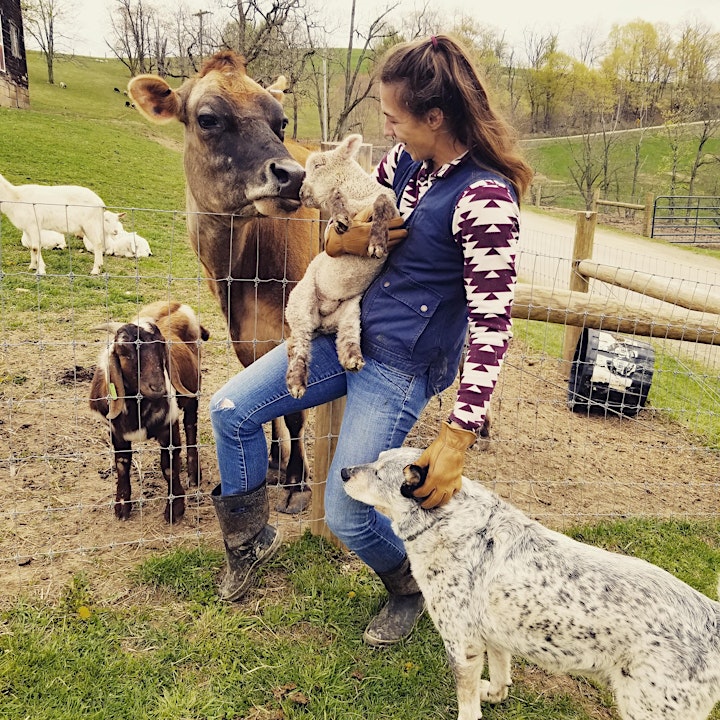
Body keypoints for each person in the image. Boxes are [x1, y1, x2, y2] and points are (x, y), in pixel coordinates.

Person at [208, 33, 533, 646]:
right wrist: (339, 242)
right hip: (345, 331)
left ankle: (411, 584)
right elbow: (343, 224)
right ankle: (250, 542)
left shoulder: (486, 198)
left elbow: (492, 322)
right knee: (230, 411)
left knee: (348, 513)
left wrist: (458, 434)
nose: (386, 127)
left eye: (394, 117)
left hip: (402, 364)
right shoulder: (404, 164)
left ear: (434, 117)